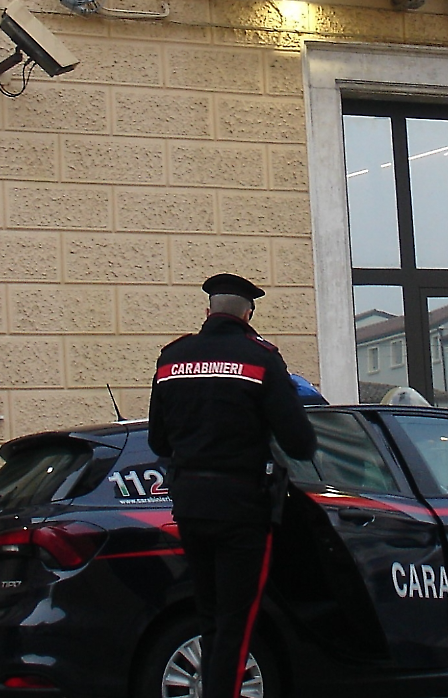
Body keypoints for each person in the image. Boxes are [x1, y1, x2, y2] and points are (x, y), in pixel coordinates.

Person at [148, 273, 317, 698]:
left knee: (210, 617)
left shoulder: (172, 358)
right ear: (250, 314)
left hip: (188, 506)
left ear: (208, 312)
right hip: (242, 510)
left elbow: (158, 441)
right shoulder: (261, 358)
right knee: (236, 626)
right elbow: (300, 443)